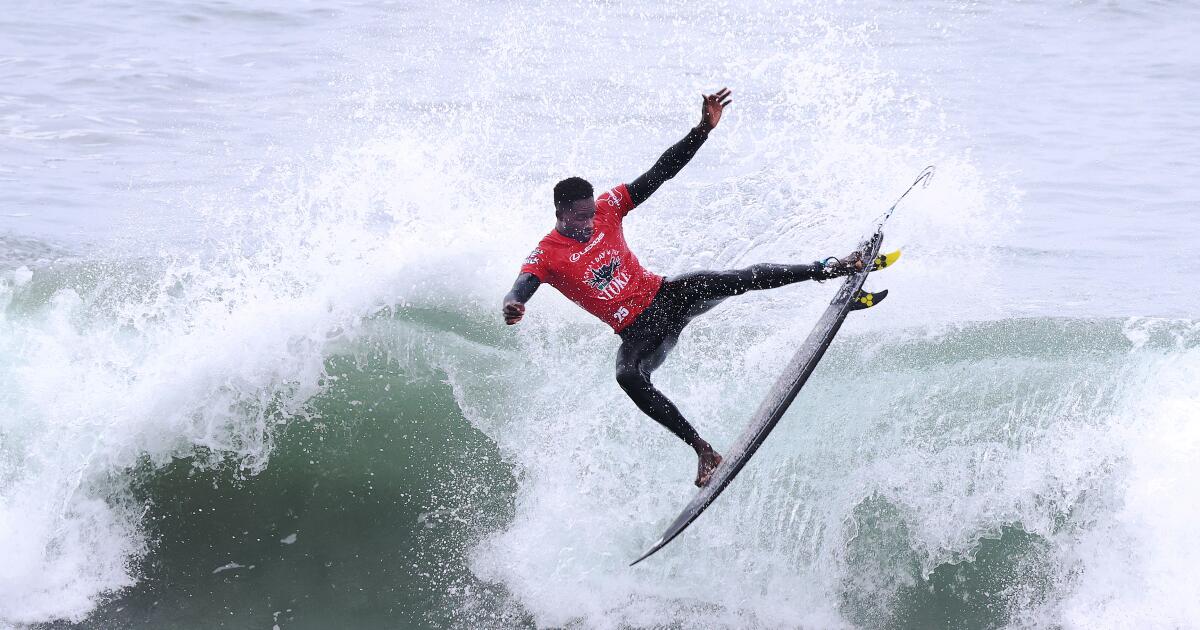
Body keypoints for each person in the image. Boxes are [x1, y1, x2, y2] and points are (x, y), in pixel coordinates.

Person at [502, 88, 863, 487]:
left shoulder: (607, 207)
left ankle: (830, 267)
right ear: (560, 213)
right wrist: (514, 303)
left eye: (591, 216)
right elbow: (521, 286)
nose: (588, 224)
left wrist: (702, 130)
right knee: (628, 376)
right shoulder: (546, 254)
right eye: (579, 219)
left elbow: (662, 171)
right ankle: (703, 450)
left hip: (665, 296)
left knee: (735, 279)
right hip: (640, 333)